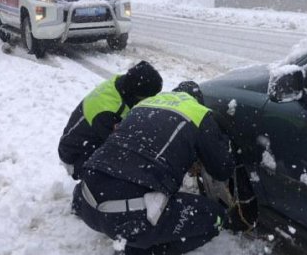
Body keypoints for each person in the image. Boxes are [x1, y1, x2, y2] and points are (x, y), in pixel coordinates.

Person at [72, 81, 235, 255]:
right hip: (128, 219)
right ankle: (137, 250)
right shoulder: (199, 113)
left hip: (86, 201)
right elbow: (222, 169)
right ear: (197, 100)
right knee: (216, 217)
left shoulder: (143, 105)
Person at [58, 61, 163, 180]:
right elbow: (119, 147)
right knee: (124, 167)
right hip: (75, 156)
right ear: (138, 93)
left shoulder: (123, 83)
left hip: (83, 139)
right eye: (150, 96)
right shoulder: (108, 112)